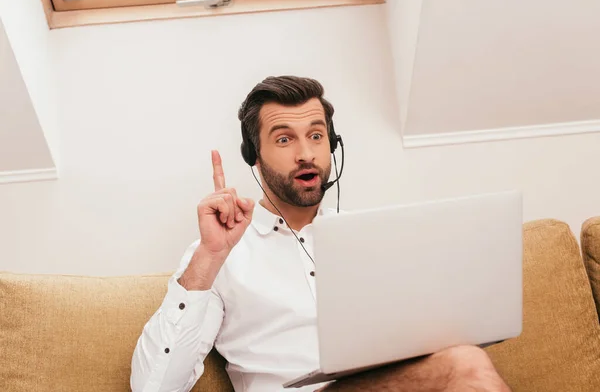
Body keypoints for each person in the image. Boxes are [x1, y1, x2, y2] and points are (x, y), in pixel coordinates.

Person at [130, 76, 511, 392]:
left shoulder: (374, 238)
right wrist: (210, 256)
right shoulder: (220, 255)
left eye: (316, 136)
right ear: (254, 157)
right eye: (284, 139)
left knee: (463, 355)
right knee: (467, 363)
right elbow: (153, 387)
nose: (305, 154)